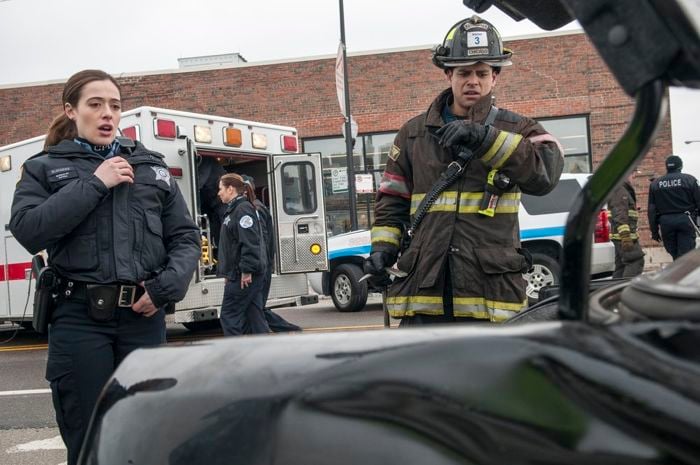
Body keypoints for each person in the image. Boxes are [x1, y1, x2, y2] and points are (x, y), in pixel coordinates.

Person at [9, 69, 200, 465]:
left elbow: (185, 238)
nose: (107, 114)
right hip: (79, 320)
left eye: (114, 105)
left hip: (142, 319)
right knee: (90, 439)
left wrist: (164, 289)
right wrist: (96, 182)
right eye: (95, 105)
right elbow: (29, 231)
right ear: (71, 110)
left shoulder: (151, 167)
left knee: (148, 436)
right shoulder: (44, 168)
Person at [363, 16, 563, 325]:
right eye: (464, 72)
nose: (473, 81)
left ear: (495, 77)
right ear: (448, 74)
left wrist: (488, 139)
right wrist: (382, 250)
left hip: (490, 295)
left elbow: (545, 175)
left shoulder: (519, 129)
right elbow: (392, 201)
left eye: (482, 73)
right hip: (424, 295)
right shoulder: (413, 134)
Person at [241, 175, 302, 332]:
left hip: (260, 265)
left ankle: (287, 329)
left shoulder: (254, 209)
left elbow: (260, 239)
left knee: (256, 306)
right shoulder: (255, 207)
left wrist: (257, 264)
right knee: (255, 306)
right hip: (262, 263)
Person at [216, 173, 270, 335]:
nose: (219, 193)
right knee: (254, 315)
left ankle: (235, 356)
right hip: (237, 273)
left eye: (221, 189)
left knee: (229, 316)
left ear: (230, 189)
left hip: (243, 275)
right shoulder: (234, 209)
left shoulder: (242, 209)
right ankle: (265, 352)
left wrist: (247, 271)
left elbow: (250, 242)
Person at [648, 154, 700, 260]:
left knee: (675, 255)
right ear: (680, 166)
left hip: (666, 223)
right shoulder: (690, 180)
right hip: (686, 219)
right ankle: (683, 275)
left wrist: (654, 231)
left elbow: (652, 210)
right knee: (685, 256)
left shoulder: (655, 184)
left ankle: (678, 274)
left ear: (666, 167)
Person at [608, 171, 645, 278]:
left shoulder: (621, 189)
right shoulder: (620, 190)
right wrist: (626, 237)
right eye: (633, 173)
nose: (634, 176)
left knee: (621, 267)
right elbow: (620, 214)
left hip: (621, 237)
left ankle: (615, 292)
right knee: (635, 261)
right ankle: (626, 290)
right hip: (624, 238)